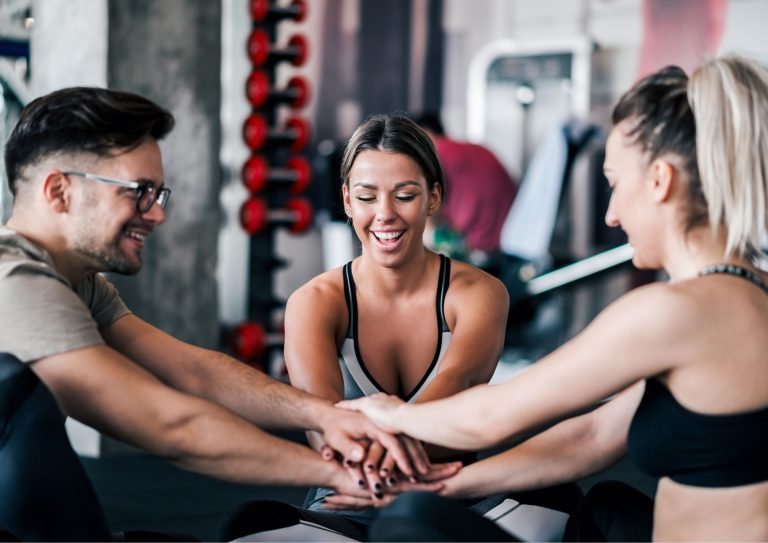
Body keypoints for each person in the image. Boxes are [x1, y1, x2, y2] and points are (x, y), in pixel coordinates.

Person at [340, 56, 768, 542]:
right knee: (605, 505)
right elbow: (593, 435)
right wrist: (447, 483)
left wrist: (391, 412)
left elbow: (491, 419)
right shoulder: (748, 291)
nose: (611, 214)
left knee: (408, 526)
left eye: (614, 183)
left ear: (659, 181)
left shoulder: (676, 311)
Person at [0, 87, 448, 519]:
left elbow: (193, 371)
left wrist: (325, 416)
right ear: (59, 192)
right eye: (138, 191)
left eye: (158, 194)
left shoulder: (78, 282)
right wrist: (342, 475)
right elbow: (172, 426)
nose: (157, 214)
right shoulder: (14, 281)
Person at [218, 113, 512, 541]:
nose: (385, 215)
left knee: (555, 499)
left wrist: (377, 458)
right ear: (347, 201)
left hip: (451, 504)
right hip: (348, 505)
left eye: (405, 195)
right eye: (367, 196)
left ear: (433, 198)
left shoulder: (480, 293)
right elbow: (326, 431)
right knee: (246, 527)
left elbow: (457, 386)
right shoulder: (315, 303)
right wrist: (370, 465)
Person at [414, 111, 517, 261]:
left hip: (479, 248)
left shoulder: (438, 152)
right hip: (508, 241)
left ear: (426, 134)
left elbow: (424, 205)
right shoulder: (473, 149)